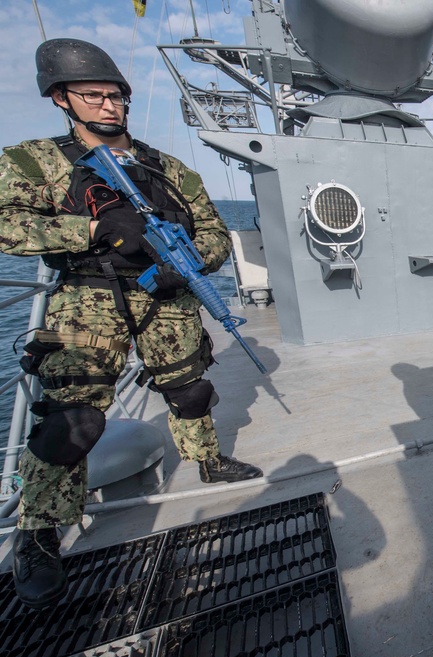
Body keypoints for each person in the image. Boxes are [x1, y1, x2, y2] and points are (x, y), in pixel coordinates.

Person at [0, 39, 264, 610]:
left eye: (115, 95)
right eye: (92, 95)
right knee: (72, 422)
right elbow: (5, 224)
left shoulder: (168, 169)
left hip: (167, 301)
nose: (108, 105)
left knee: (191, 389)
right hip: (87, 302)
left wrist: (186, 264)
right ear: (60, 99)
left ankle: (208, 460)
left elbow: (215, 233)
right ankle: (39, 532)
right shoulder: (36, 163)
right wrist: (89, 232)